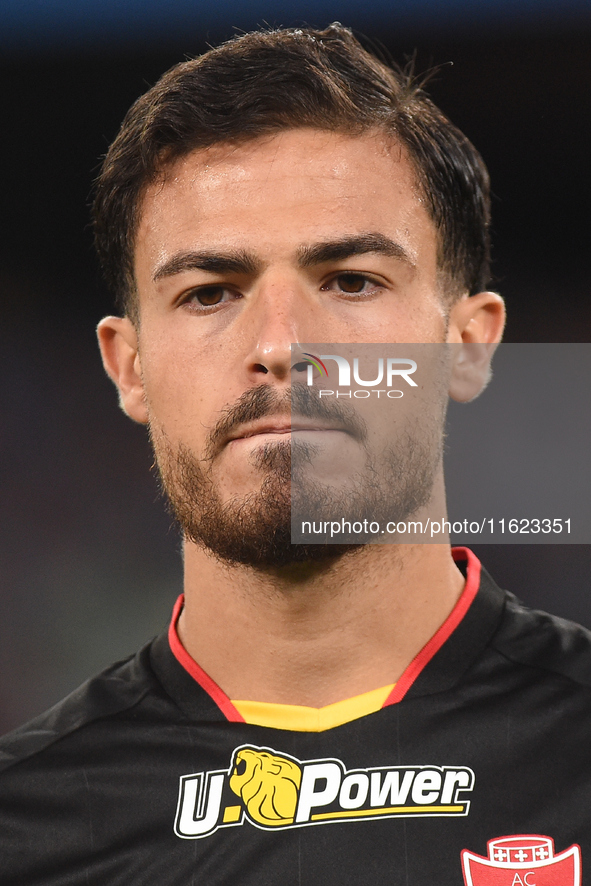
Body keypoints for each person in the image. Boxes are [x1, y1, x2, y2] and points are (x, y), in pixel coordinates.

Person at [0, 24, 588, 886]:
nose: (281, 346)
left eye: (351, 280)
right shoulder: (25, 829)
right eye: (208, 293)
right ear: (128, 368)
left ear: (466, 343)